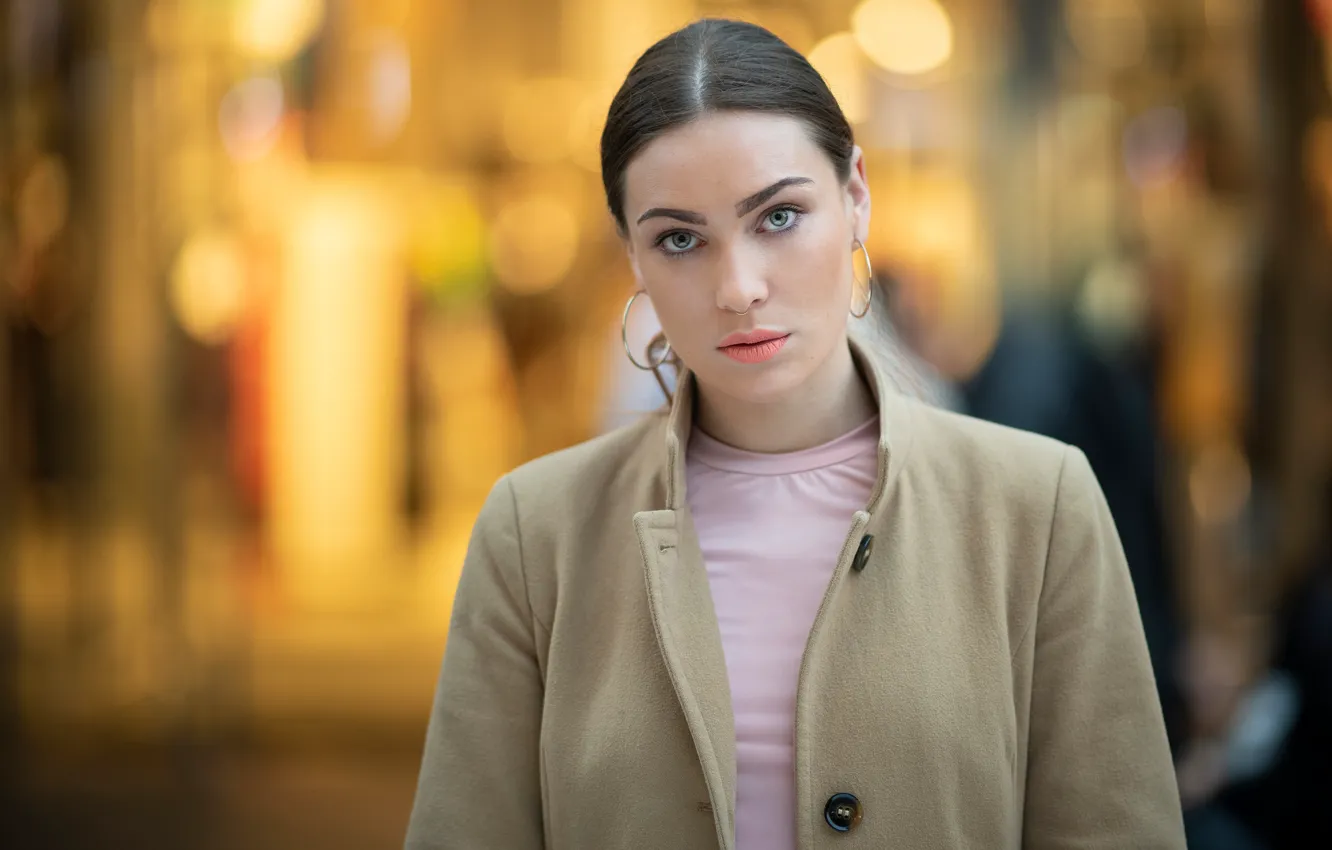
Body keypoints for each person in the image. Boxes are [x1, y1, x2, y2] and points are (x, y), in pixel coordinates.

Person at [405, 19, 1184, 850]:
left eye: (778, 217)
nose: (738, 287)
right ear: (631, 256)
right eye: (679, 238)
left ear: (856, 199)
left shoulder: (1037, 507)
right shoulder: (538, 534)